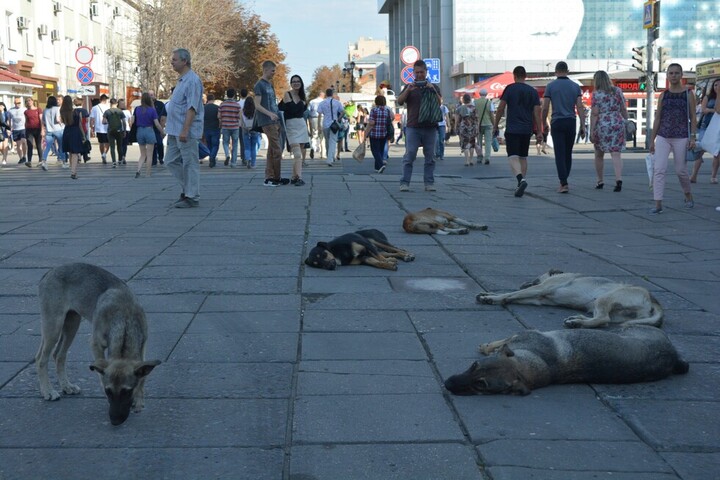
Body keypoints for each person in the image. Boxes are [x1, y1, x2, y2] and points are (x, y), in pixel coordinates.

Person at [648, 63, 696, 215]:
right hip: (663, 136)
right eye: (671, 73)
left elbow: (693, 117)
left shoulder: (688, 94)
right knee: (659, 169)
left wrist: (693, 137)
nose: (673, 76)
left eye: (676, 73)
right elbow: (657, 118)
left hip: (681, 136)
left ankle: (688, 195)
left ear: (681, 75)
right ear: (667, 76)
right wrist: (652, 139)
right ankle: (658, 204)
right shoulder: (664, 95)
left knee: (681, 170)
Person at [493, 65, 542, 198]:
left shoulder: (510, 88)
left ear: (514, 76)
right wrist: (539, 131)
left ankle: (521, 180)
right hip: (527, 129)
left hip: (513, 128)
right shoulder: (532, 91)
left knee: (512, 156)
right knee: (523, 157)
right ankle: (521, 182)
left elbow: (501, 108)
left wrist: (496, 125)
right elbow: (537, 112)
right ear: (525, 76)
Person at [165, 48, 204, 208]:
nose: (171, 62)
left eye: (174, 60)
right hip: (174, 129)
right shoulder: (182, 80)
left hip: (185, 130)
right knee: (170, 161)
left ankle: (192, 196)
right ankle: (188, 188)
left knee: (190, 163)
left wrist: (185, 129)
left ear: (184, 61)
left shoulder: (192, 80)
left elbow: (192, 107)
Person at [396, 59, 442, 192]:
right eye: (417, 72)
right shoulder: (409, 87)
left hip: (430, 126)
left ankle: (429, 183)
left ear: (426, 72)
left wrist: (432, 89)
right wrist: (408, 90)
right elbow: (399, 101)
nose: (419, 75)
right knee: (410, 155)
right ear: (413, 73)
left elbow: (440, 102)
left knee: (430, 157)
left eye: (422, 72)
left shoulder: (433, 87)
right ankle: (404, 182)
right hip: (413, 126)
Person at [542, 61, 586, 193]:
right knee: (568, 153)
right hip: (571, 122)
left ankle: (563, 182)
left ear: (556, 71)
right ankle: (565, 178)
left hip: (557, 122)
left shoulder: (550, 86)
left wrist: (543, 123)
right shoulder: (575, 86)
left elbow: (545, 107)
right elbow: (579, 106)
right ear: (567, 71)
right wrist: (583, 125)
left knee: (559, 153)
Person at [590, 70, 628, 192]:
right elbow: (623, 109)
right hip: (617, 123)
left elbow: (595, 114)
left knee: (599, 154)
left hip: (602, 124)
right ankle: (618, 179)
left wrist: (591, 130)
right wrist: (626, 121)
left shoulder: (596, 94)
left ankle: (600, 181)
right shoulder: (617, 91)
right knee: (616, 154)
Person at [254, 60, 288, 186]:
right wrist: (269, 114)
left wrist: (277, 115)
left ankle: (270, 177)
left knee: (272, 150)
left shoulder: (270, 84)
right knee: (277, 149)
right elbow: (257, 105)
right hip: (267, 120)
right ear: (266, 70)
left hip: (275, 120)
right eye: (273, 70)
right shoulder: (259, 85)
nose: (274, 73)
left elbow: (273, 103)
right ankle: (276, 177)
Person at [279, 74, 310, 186]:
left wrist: (302, 104)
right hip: (291, 125)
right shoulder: (287, 94)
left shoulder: (302, 96)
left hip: (301, 125)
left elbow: (302, 111)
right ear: (291, 84)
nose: (296, 83)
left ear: (301, 83)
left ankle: (294, 177)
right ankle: (299, 178)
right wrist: (301, 105)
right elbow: (292, 110)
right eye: (293, 81)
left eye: (298, 81)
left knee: (300, 153)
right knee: (297, 154)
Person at [690, 78, 719, 184]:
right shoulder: (708, 97)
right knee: (700, 150)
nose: (717, 87)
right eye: (715, 85)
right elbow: (704, 110)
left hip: (717, 128)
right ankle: (694, 175)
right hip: (705, 126)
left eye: (719, 85)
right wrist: (714, 111)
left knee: (717, 153)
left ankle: (713, 176)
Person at [131, 92, 165, 178]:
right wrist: (162, 132)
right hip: (149, 131)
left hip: (139, 131)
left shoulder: (137, 109)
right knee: (149, 155)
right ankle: (148, 173)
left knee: (142, 154)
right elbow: (157, 124)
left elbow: (132, 121)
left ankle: (138, 170)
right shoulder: (152, 110)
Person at [317, 88, 347, 168]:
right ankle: (330, 159)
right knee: (333, 141)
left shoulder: (322, 103)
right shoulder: (337, 102)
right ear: (332, 94)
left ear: (326, 94)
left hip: (325, 124)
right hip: (334, 124)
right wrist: (339, 119)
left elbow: (319, 114)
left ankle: (329, 156)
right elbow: (343, 111)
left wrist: (319, 126)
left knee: (327, 141)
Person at [60, 95, 87, 180]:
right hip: (75, 132)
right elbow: (79, 125)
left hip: (67, 131)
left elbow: (63, 122)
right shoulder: (76, 112)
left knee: (71, 152)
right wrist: (83, 135)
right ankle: (73, 172)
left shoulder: (62, 111)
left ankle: (72, 170)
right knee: (75, 152)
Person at [366, 95, 393, 173]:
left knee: (374, 150)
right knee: (380, 150)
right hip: (384, 133)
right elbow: (392, 118)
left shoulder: (374, 110)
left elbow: (372, 122)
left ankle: (381, 165)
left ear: (376, 101)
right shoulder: (387, 110)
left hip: (374, 133)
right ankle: (377, 168)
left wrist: (366, 132)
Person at [218, 88, 241, 167]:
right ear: (234, 95)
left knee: (225, 142)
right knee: (235, 144)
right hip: (235, 127)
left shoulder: (222, 104)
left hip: (225, 126)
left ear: (226, 95)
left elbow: (218, 116)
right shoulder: (237, 105)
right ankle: (233, 162)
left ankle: (227, 154)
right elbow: (240, 116)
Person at [41, 96, 65, 170]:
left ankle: (44, 161)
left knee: (47, 147)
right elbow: (57, 119)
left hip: (49, 130)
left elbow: (43, 121)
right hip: (58, 130)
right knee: (61, 146)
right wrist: (62, 123)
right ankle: (63, 161)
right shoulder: (57, 108)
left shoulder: (45, 110)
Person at [455, 93, 479, 166]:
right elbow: (477, 118)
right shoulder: (474, 108)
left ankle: (467, 161)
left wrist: (456, 126)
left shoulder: (460, 108)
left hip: (464, 127)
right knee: (472, 143)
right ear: (470, 99)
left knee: (465, 143)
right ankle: (471, 160)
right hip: (473, 127)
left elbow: (457, 119)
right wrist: (477, 127)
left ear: (463, 100)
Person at [102, 98, 127, 167]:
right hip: (119, 131)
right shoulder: (120, 111)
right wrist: (124, 131)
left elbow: (103, 122)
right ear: (116, 103)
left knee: (112, 147)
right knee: (119, 146)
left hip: (110, 131)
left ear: (110, 103)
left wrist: (108, 122)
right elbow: (124, 122)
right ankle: (119, 160)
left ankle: (114, 162)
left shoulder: (107, 112)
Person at [474, 89, 494, 164]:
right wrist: (494, 124)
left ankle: (479, 157)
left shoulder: (475, 102)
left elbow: (473, 113)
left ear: (479, 94)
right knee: (488, 141)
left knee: (479, 142)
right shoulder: (489, 103)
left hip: (478, 124)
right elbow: (492, 115)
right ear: (486, 94)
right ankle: (487, 157)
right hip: (488, 124)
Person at [148, 90, 167, 166]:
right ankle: (154, 159)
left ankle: (161, 158)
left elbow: (163, 116)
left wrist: (162, 128)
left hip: (158, 126)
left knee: (159, 143)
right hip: (149, 127)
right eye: (149, 95)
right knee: (152, 143)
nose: (151, 96)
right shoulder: (145, 105)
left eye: (152, 95)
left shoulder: (160, 104)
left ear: (155, 95)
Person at [23, 98, 43, 168]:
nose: (29, 102)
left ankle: (40, 160)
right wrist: (25, 129)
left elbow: (41, 120)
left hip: (37, 129)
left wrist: (42, 130)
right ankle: (29, 161)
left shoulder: (38, 109)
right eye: (27, 101)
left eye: (30, 101)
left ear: (32, 101)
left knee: (38, 145)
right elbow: (26, 121)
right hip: (29, 130)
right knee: (30, 145)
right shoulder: (26, 112)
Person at [90, 94, 110, 163]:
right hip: (107, 127)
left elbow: (92, 119)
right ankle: (104, 154)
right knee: (108, 142)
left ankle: (102, 154)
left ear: (100, 99)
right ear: (106, 100)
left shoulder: (94, 108)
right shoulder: (108, 107)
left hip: (98, 128)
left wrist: (92, 128)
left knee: (101, 142)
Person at [202, 93, 221, 168]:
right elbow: (219, 118)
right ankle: (212, 157)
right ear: (213, 99)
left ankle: (211, 156)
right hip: (215, 128)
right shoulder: (217, 108)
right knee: (215, 145)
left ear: (207, 99)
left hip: (206, 128)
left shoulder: (204, 108)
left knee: (209, 144)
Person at [8, 97, 28, 165]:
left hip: (23, 128)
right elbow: (9, 120)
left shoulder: (24, 109)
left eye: (19, 103)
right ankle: (21, 158)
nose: (17, 104)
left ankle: (25, 156)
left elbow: (27, 118)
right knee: (18, 145)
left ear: (21, 103)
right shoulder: (10, 110)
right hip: (15, 129)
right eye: (16, 103)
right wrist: (10, 128)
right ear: (14, 103)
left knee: (24, 142)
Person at [242, 96, 260, 169]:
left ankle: (247, 159)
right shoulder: (256, 111)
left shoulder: (242, 111)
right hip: (254, 129)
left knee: (247, 147)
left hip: (245, 129)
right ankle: (253, 163)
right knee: (253, 147)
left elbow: (240, 122)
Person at [73, 97, 91, 163]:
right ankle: (85, 156)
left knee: (76, 142)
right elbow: (87, 120)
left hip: (75, 129)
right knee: (84, 142)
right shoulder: (84, 110)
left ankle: (78, 157)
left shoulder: (73, 111)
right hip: (83, 128)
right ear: (82, 103)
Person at [307, 91, 324, 159]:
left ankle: (313, 148)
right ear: (322, 95)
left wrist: (309, 119)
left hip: (313, 118)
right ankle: (322, 152)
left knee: (314, 135)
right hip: (322, 118)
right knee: (322, 136)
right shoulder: (324, 101)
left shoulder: (312, 101)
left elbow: (308, 110)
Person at [436, 96, 450, 161]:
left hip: (442, 125)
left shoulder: (444, 107)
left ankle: (441, 154)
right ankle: (437, 153)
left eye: (441, 100)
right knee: (436, 140)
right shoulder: (434, 106)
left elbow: (447, 117)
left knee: (441, 140)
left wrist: (448, 125)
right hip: (435, 125)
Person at [118, 99, 132, 165]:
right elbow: (130, 121)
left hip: (125, 129)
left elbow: (130, 121)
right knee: (123, 144)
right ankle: (122, 156)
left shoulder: (127, 111)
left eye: (123, 103)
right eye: (121, 103)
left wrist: (130, 127)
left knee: (122, 144)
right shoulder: (118, 111)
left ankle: (122, 157)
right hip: (121, 129)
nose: (122, 105)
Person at [238, 88, 248, 165]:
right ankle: (248, 157)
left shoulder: (238, 103)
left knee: (242, 141)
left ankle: (243, 156)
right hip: (249, 124)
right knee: (248, 141)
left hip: (240, 124)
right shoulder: (250, 103)